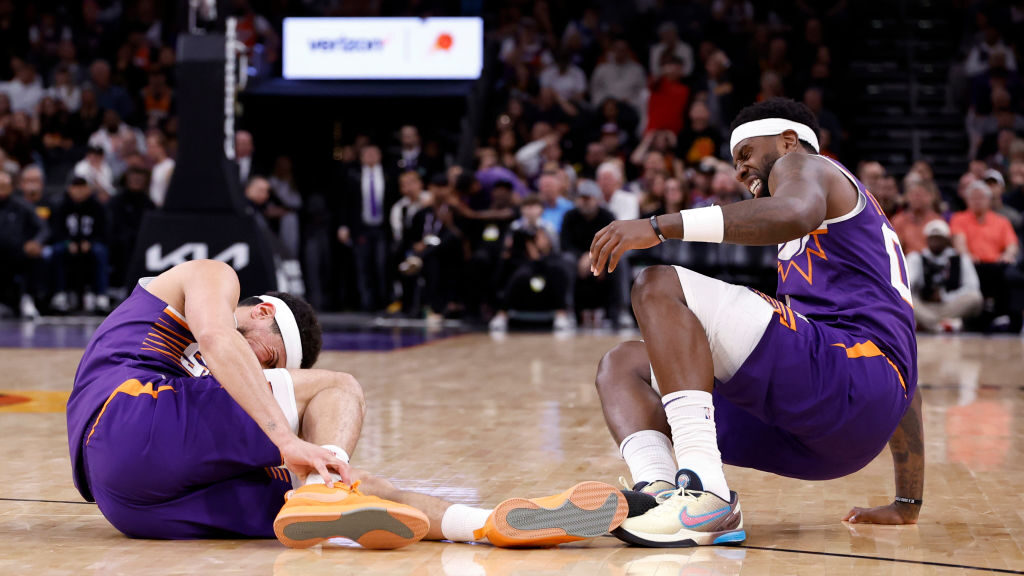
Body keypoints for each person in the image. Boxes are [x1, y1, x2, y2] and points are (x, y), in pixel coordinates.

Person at [66, 259, 627, 548]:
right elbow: (218, 340)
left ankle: (485, 524)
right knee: (340, 387)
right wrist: (285, 438)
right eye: (269, 356)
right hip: (125, 416)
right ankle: (319, 495)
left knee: (344, 480)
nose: (262, 370)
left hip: (132, 504)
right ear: (262, 312)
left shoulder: (203, 395)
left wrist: (303, 455)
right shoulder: (213, 277)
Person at [588, 98, 922, 547]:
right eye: (735, 162)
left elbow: (792, 213)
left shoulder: (808, 165)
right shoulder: (847, 243)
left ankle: (706, 493)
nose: (740, 172)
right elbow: (905, 381)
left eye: (746, 154)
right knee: (623, 364)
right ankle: (659, 491)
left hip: (848, 378)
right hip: (844, 429)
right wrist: (907, 502)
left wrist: (660, 225)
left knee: (657, 284)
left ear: (787, 141)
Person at [907, 220, 983, 332]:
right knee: (907, 300)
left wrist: (944, 296)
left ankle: (931, 325)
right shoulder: (916, 258)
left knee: (975, 297)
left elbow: (972, 286)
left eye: (939, 238)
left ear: (947, 240)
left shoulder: (960, 259)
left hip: (950, 306)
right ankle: (945, 325)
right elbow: (907, 285)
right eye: (932, 238)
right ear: (927, 239)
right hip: (925, 306)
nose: (935, 242)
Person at [50, 177, 111, 313]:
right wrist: (68, 242)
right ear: (69, 189)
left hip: (91, 243)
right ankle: (59, 293)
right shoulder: (61, 205)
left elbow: (103, 230)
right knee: (56, 251)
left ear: (88, 189)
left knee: (100, 251)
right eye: (75, 187)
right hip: (67, 243)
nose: (79, 191)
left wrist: (90, 242)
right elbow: (56, 230)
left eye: (82, 187)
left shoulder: (97, 206)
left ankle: (101, 294)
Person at [0, 170, 46, 318]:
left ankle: (27, 300)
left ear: (11, 187)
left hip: (19, 252)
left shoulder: (22, 206)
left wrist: (36, 242)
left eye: (4, 186)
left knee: (34, 257)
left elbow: (43, 228)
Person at [890, 179, 943, 254]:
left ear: (930, 197)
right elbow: (894, 249)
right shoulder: (898, 220)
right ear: (907, 197)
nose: (917, 198)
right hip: (907, 261)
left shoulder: (937, 220)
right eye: (913, 195)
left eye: (920, 195)